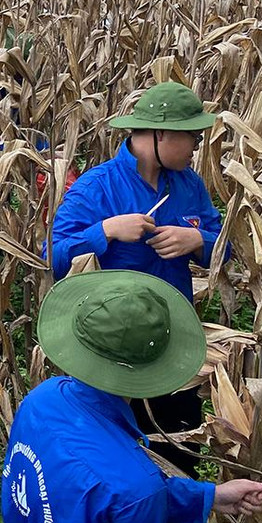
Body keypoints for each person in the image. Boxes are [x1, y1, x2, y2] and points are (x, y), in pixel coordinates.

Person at [2, 269, 262, 523]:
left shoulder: (41, 402)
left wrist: (209, 497)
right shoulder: (133, 488)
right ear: (151, 368)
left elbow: (94, 500)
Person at [50, 81, 227, 475]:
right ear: (159, 134)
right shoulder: (97, 188)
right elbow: (56, 256)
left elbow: (224, 247)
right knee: (114, 451)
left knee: (177, 438)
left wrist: (197, 240)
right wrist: (106, 232)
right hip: (110, 347)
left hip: (171, 336)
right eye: (192, 137)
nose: (198, 145)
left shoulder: (189, 185)